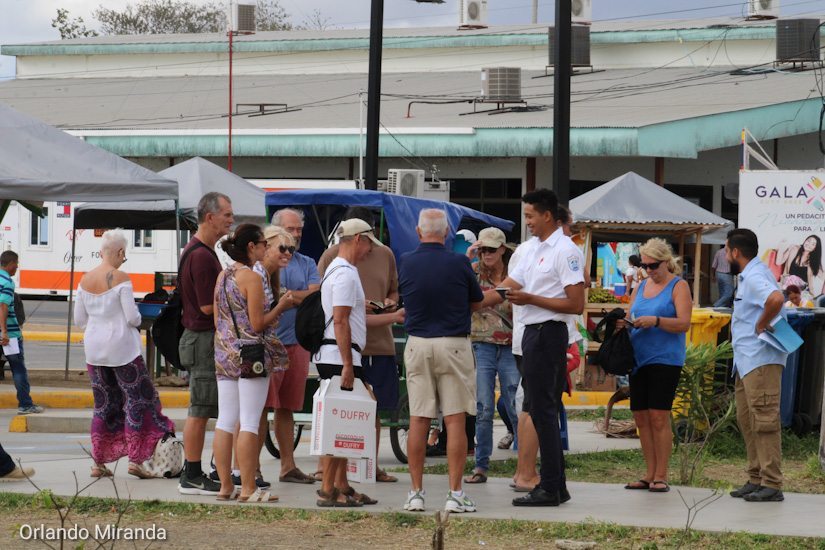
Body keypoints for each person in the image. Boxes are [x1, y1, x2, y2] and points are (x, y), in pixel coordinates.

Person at [485, 189, 585, 507]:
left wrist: (531, 299)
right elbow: (509, 287)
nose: (526, 222)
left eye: (530, 216)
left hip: (548, 333)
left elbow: (575, 303)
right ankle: (558, 485)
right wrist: (468, 300)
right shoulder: (533, 250)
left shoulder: (565, 251)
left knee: (542, 412)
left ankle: (551, 486)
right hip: (530, 333)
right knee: (539, 410)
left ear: (546, 216)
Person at [399, 208, 483, 514]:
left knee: (419, 418)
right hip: (454, 344)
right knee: (455, 418)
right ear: (447, 233)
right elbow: (475, 301)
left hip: (418, 343)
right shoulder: (459, 262)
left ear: (419, 232)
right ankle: (455, 492)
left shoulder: (406, 261)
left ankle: (415, 492)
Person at [74, 231, 176, 479]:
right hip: (123, 350)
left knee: (103, 404)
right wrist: (139, 320)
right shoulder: (121, 278)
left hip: (95, 351)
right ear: (120, 252)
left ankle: (98, 463)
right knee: (138, 402)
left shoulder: (85, 280)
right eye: (124, 255)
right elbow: (132, 317)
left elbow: (79, 321)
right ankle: (136, 459)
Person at [315, 218, 401, 507]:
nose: (369, 252)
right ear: (358, 240)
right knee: (339, 423)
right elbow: (339, 320)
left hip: (341, 354)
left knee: (342, 422)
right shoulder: (345, 274)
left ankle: (340, 484)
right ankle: (330, 488)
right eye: (368, 245)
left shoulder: (338, 271)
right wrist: (348, 365)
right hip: (341, 356)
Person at [213, 223, 292, 503]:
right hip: (251, 355)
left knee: (225, 420)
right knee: (248, 421)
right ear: (251, 247)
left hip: (224, 353)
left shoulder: (223, 276)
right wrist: (280, 307)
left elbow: (218, 320)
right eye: (262, 245)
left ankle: (225, 486)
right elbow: (258, 324)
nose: (266, 249)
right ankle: (248, 487)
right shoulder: (252, 279)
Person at [619, 238, 691, 494]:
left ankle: (661, 474)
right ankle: (649, 473)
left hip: (665, 359)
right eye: (644, 265)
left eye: (653, 265)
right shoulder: (640, 286)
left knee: (659, 416)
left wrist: (657, 321)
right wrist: (622, 323)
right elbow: (630, 316)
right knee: (641, 417)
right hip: (638, 359)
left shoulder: (678, 286)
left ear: (665, 262)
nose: (648, 270)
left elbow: (684, 323)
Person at [178, 192, 233, 496]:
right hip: (202, 340)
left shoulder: (204, 251)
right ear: (210, 217)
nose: (231, 219)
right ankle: (192, 474)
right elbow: (208, 307)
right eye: (226, 214)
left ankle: (199, 470)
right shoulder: (200, 255)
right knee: (199, 409)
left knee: (203, 408)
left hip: (202, 340)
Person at [726, 228, 787, 502]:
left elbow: (776, 299)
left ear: (735, 252)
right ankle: (756, 477)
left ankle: (772, 483)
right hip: (746, 362)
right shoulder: (749, 275)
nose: (726, 256)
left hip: (761, 359)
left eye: (727, 251)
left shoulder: (755, 276)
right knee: (747, 419)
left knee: (763, 419)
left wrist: (761, 324)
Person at [269, 208, 321, 484]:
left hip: (297, 344)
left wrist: (287, 297)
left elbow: (316, 296)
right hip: (268, 345)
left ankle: (287, 466)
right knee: (258, 409)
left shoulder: (307, 262)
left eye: (300, 229)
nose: (297, 234)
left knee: (287, 407)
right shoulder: (268, 263)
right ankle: (247, 469)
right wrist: (295, 297)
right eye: (292, 228)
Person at [463, 227, 518, 485]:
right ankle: (481, 465)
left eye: (491, 249)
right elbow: (454, 284)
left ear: (503, 250)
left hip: (510, 345)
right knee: (483, 407)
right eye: (483, 249)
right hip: (481, 344)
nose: (486, 254)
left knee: (514, 403)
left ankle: (525, 463)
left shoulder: (514, 274)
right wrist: (468, 255)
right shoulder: (472, 272)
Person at [0, 251, 43, 415]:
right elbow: (3, 306)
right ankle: (25, 404)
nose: (17, 267)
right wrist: (4, 332)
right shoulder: (7, 282)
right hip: (8, 336)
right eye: (16, 264)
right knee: (18, 370)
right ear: (10, 263)